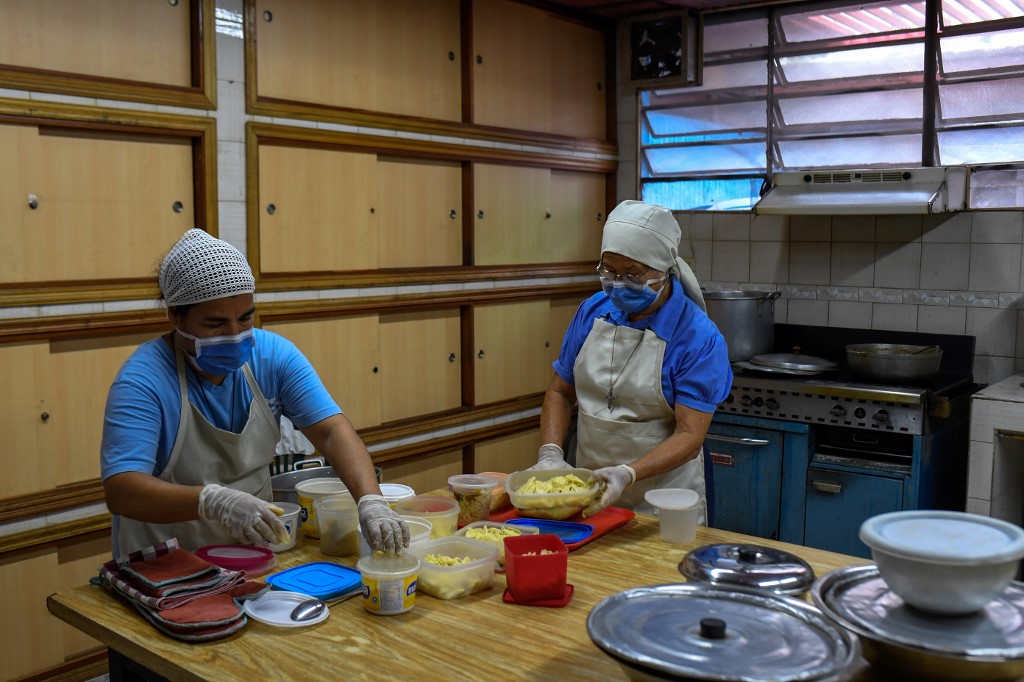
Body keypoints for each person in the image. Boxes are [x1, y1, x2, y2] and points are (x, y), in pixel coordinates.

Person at [101, 229, 408, 557]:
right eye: (215, 324)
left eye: (245, 318)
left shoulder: (273, 356)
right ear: (175, 314)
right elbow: (122, 490)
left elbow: (331, 431)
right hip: (169, 566)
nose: (234, 335)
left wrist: (371, 500)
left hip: (256, 555)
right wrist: (213, 502)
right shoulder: (143, 381)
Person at [532, 200, 732, 523]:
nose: (617, 282)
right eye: (608, 270)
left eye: (632, 273)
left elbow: (690, 435)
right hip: (588, 495)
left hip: (662, 505)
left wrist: (627, 474)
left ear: (662, 271)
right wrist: (551, 454)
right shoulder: (592, 313)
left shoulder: (697, 338)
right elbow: (560, 392)